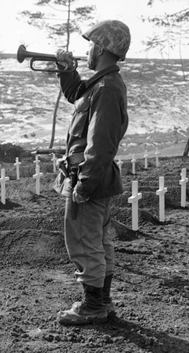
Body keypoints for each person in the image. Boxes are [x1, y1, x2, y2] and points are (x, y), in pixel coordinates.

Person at [53, 20, 131, 325]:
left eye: (90, 45)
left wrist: (83, 184)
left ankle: (93, 306)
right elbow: (77, 94)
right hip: (95, 178)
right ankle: (103, 302)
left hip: (90, 178)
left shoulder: (108, 88)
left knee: (85, 243)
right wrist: (66, 71)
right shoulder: (102, 83)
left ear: (100, 47)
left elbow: (100, 145)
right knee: (98, 241)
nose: (87, 50)